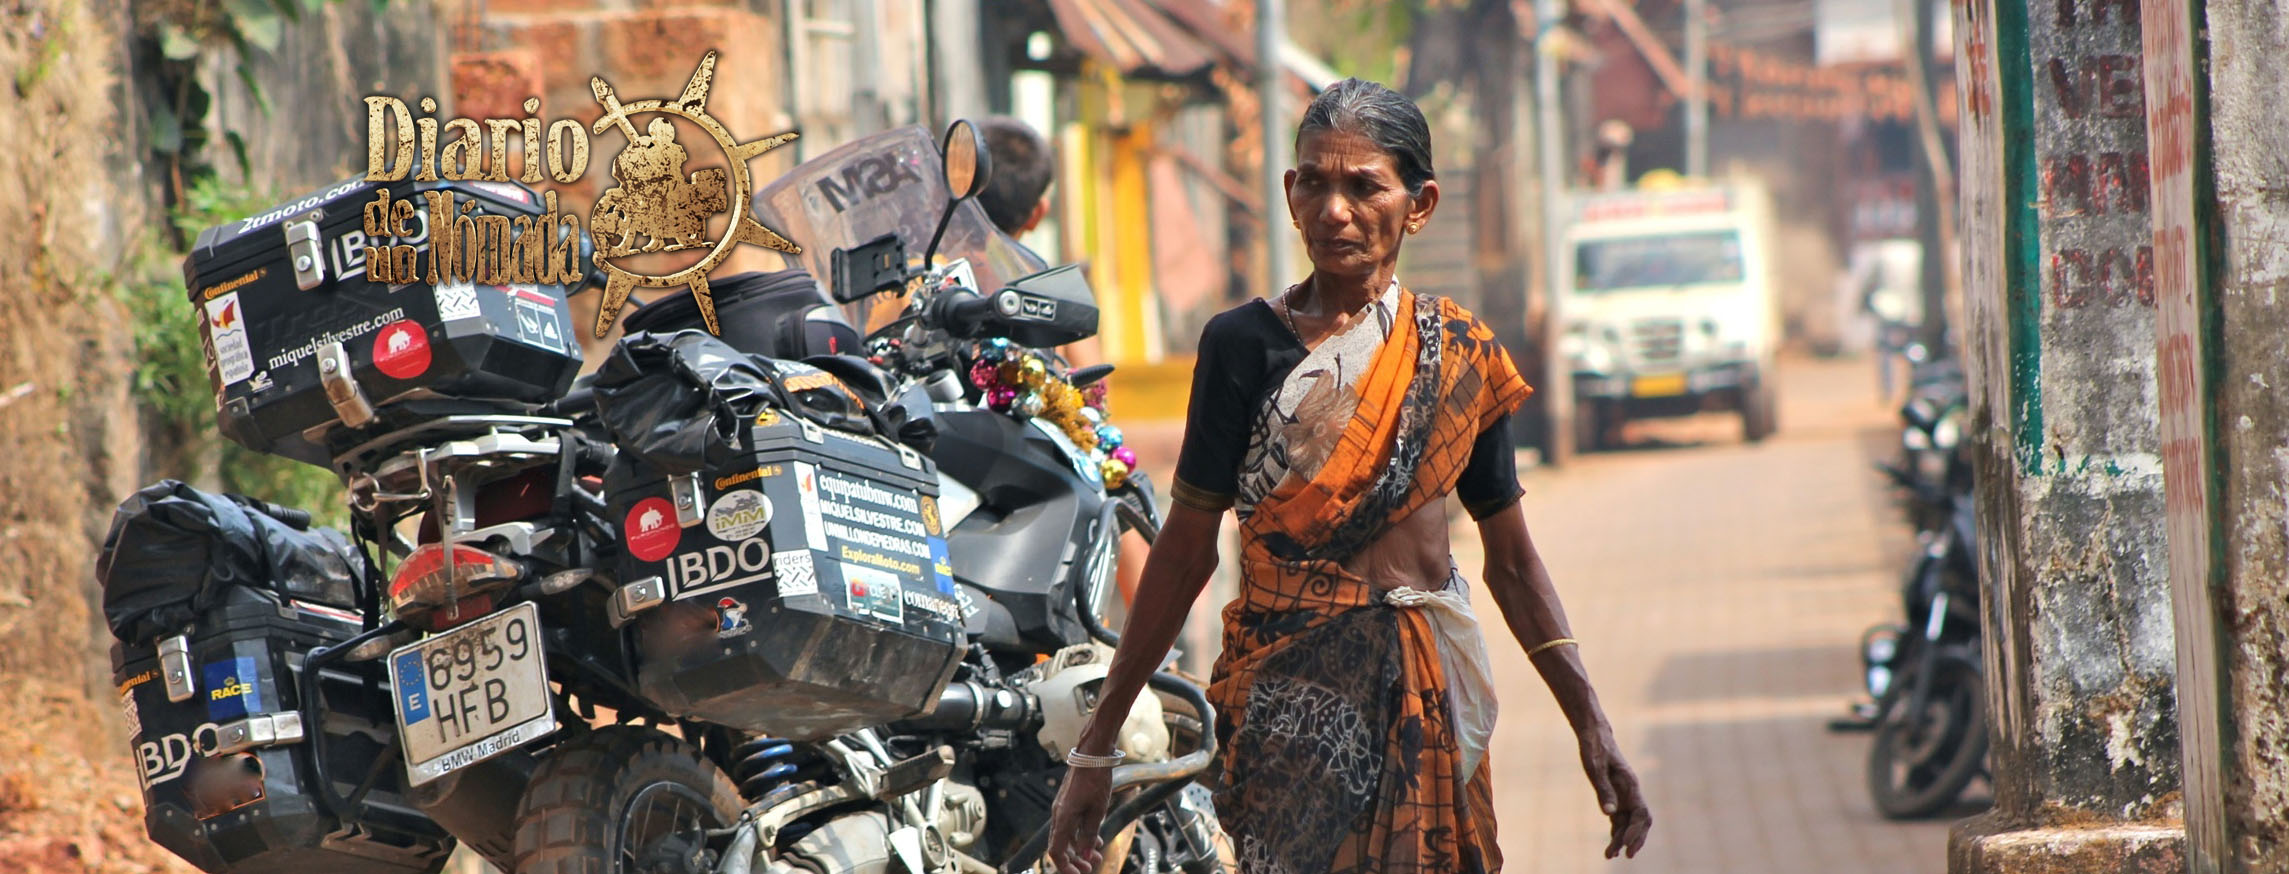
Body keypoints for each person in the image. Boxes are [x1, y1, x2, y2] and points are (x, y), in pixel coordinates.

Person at [1044, 79, 1652, 873]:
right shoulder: (1239, 345)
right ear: (1290, 194)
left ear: (1419, 202)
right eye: (1315, 183)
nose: (1335, 210)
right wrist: (1095, 754)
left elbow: (1510, 560)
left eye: (1363, 186)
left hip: (1422, 704)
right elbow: (1187, 548)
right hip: (1284, 710)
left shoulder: (1458, 353)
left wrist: (1591, 724)